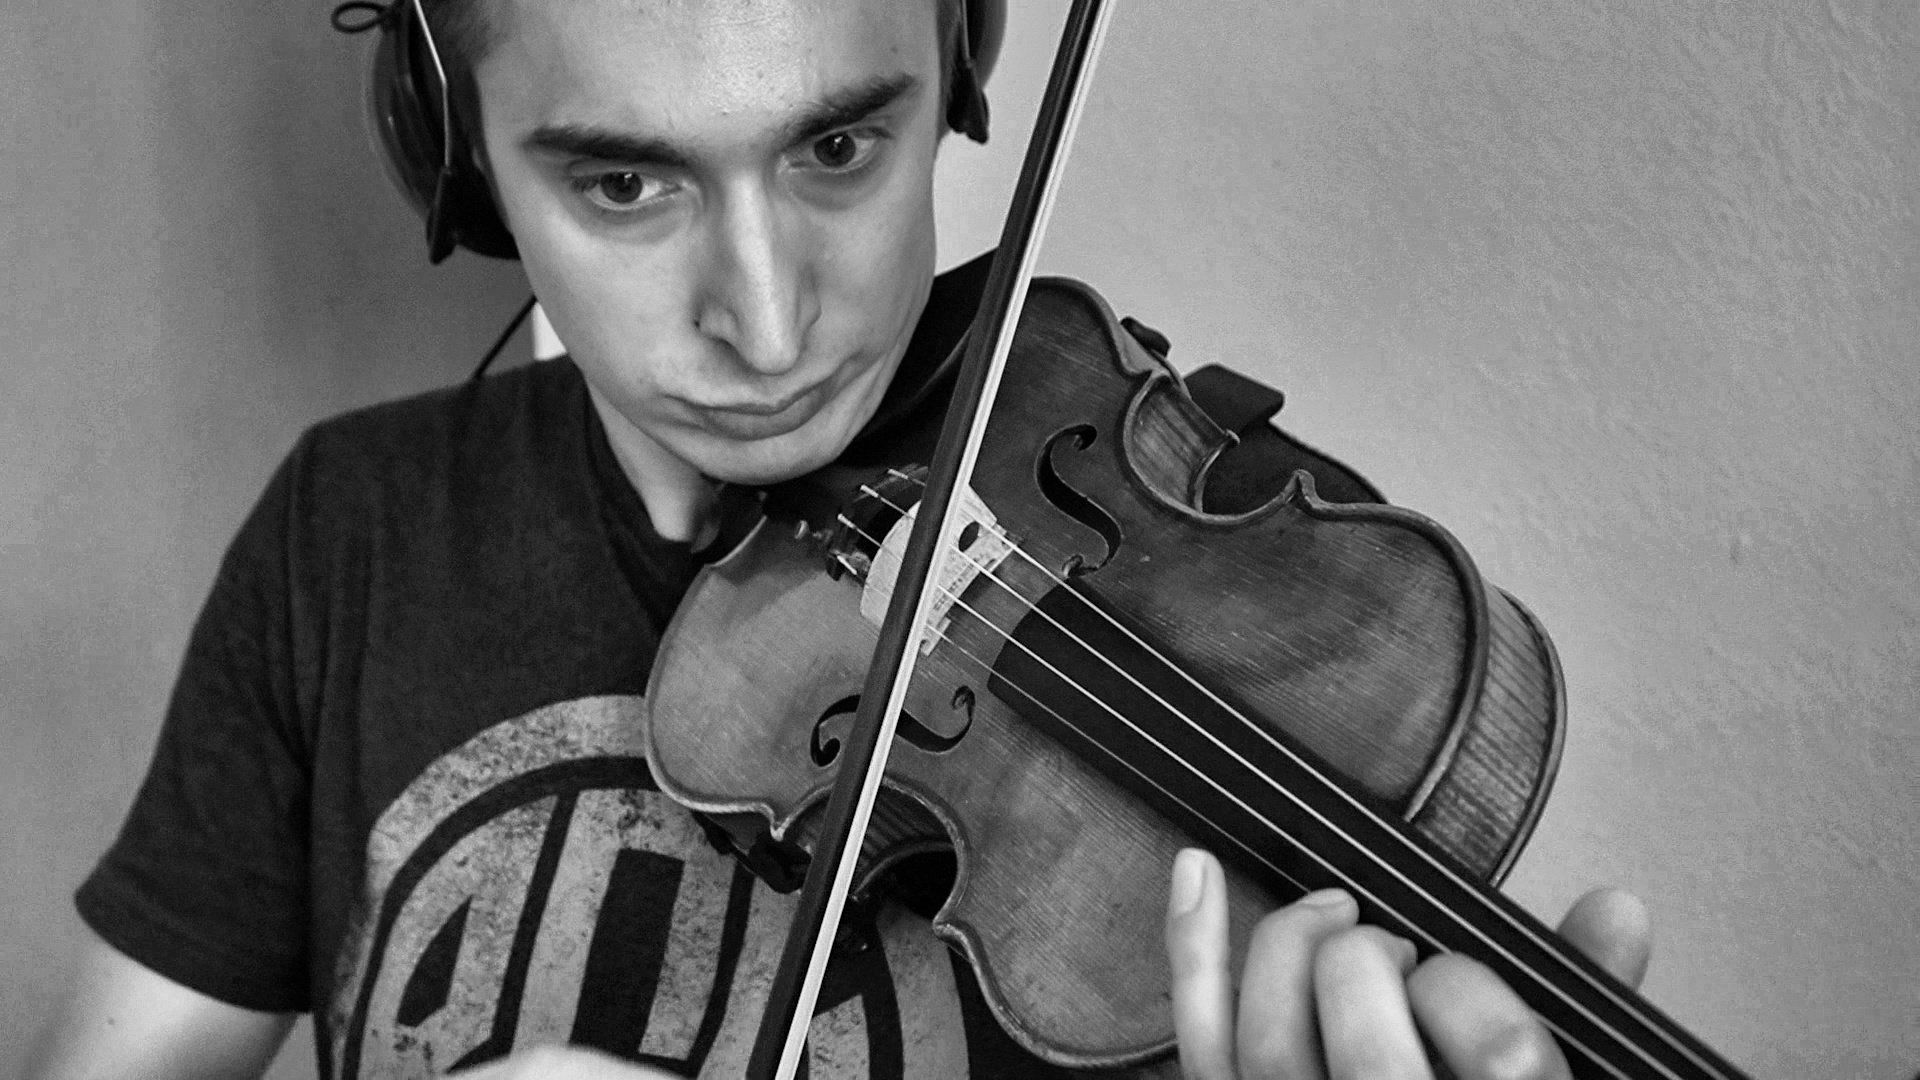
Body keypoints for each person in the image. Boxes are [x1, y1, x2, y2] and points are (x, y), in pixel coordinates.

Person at [28, 0, 1653, 1077]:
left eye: (836, 145)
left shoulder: (1281, 610)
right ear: (459, 168)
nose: (767, 322)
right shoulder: (350, 528)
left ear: (959, 68)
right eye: (623, 183)